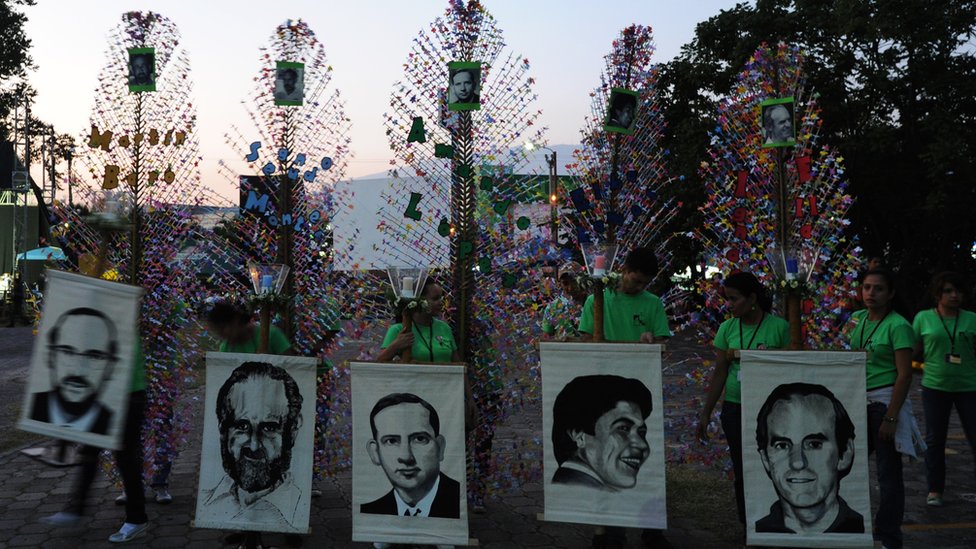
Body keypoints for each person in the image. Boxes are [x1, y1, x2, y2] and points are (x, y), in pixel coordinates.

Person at [577, 246, 671, 549]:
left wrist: (650, 339)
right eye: (635, 280)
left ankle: (651, 529)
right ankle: (608, 528)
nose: (639, 287)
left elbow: (662, 339)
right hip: (605, 396)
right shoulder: (598, 300)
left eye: (644, 283)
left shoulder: (653, 304)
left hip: (640, 396)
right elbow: (585, 340)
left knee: (646, 459)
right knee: (607, 458)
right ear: (624, 269)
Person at [696, 272, 790, 530]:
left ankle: (779, 521)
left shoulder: (779, 328)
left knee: (773, 465)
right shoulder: (727, 328)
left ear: (752, 299)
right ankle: (749, 524)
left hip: (770, 408)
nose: (729, 305)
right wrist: (707, 411)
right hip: (735, 407)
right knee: (743, 467)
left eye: (734, 299)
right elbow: (719, 373)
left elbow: (791, 369)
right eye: (727, 299)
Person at [42, 337, 150, 543]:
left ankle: (137, 519)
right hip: (103, 391)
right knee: (90, 451)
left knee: (126, 458)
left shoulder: (122, 311)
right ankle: (76, 509)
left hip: (129, 392)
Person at [847, 268, 914, 549]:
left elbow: (904, 375)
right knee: (848, 466)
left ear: (891, 294)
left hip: (883, 402)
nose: (870, 293)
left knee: (888, 475)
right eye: (866, 287)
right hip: (856, 401)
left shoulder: (898, 325)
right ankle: (849, 527)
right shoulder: (856, 319)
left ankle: (889, 537)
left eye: (878, 289)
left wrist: (890, 416)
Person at [200, 361, 305, 526]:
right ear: (223, 429)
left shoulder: (298, 508)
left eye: (269, 428)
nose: (254, 446)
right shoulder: (207, 500)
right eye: (242, 426)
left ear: (292, 432)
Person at [754, 383, 864, 534]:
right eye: (782, 445)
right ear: (765, 459)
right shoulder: (759, 531)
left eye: (814, 444)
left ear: (845, 453)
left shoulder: (860, 529)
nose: (798, 462)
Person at [912, 271, 976, 507]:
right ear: (938, 294)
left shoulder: (971, 319)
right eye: (948, 291)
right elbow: (913, 349)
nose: (954, 295)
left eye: (958, 291)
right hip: (935, 386)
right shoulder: (924, 318)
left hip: (969, 386)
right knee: (935, 440)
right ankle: (935, 490)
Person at [360, 392, 461, 518]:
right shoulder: (370, 513)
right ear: (375, 453)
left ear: (440, 447)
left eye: (419, 439)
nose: (406, 457)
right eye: (391, 441)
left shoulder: (460, 502)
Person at [551, 375, 652, 491]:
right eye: (623, 428)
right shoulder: (582, 491)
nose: (642, 445)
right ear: (579, 436)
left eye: (642, 433)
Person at [29, 307, 118, 434]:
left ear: (110, 367)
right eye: (67, 352)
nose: (78, 371)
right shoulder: (33, 409)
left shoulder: (112, 425)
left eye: (94, 356)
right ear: (50, 356)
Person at [207, 300, 293, 355]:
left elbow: (291, 364)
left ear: (236, 321)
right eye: (217, 331)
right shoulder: (226, 348)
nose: (221, 335)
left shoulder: (271, 335)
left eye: (222, 328)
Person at [541, 262, 587, 341]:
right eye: (565, 283)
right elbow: (546, 337)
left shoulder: (592, 302)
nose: (570, 287)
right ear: (559, 284)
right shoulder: (552, 307)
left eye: (574, 281)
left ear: (582, 280)